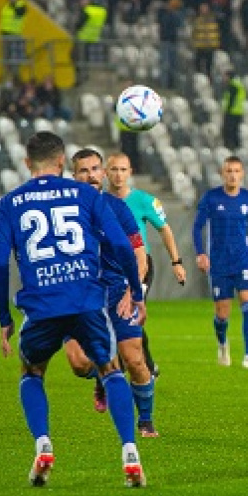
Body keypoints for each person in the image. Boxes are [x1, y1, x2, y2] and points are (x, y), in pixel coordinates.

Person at [0, 131, 147, 487]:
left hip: (42, 306)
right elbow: (122, 246)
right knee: (110, 369)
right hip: (88, 300)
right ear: (63, 163)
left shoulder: (8, 205)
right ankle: (130, 452)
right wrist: (135, 291)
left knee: (32, 372)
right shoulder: (87, 195)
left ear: (27, 163)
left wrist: (3, 318)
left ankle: (43, 445)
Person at [64, 148, 159, 438]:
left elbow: (139, 253)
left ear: (103, 173)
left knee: (135, 360)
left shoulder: (118, 209)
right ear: (74, 175)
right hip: (79, 295)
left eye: (95, 169)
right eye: (84, 170)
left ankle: (145, 420)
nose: (91, 175)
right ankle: (102, 376)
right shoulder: (65, 212)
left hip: (118, 291)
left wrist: (135, 289)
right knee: (79, 364)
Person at [106, 151, 187, 377]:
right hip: (110, 267)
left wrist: (177, 261)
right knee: (116, 317)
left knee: (130, 314)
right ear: (105, 172)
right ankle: (137, 366)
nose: (119, 175)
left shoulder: (144, 201)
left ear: (130, 173)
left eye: (123, 170)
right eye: (114, 169)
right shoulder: (100, 202)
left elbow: (164, 229)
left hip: (140, 266)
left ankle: (140, 367)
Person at [193, 155, 248, 369]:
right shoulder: (211, 198)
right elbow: (197, 227)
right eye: (229, 171)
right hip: (219, 263)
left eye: (236, 171)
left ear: (242, 174)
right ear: (222, 173)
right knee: (222, 314)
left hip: (243, 260)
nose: (232, 175)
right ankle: (222, 343)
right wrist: (201, 253)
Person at [0, 0, 27, 79]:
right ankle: (8, 78)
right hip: (5, 35)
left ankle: (15, 77)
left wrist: (14, 3)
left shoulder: (21, 5)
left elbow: (20, 13)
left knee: (14, 58)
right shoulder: (6, 6)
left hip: (15, 34)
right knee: (6, 58)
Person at [191, 1, 220, 79]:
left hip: (210, 47)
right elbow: (193, 34)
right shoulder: (197, 21)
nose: (203, 10)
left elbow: (215, 33)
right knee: (198, 66)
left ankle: (209, 81)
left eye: (205, 8)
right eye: (202, 9)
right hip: (200, 46)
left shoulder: (213, 20)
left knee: (209, 67)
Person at [220, 67, 246, 149]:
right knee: (235, 131)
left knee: (228, 131)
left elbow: (231, 100)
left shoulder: (233, 85)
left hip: (232, 112)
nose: (224, 78)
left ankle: (229, 147)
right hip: (238, 112)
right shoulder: (239, 85)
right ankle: (236, 147)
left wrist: (227, 110)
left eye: (225, 76)